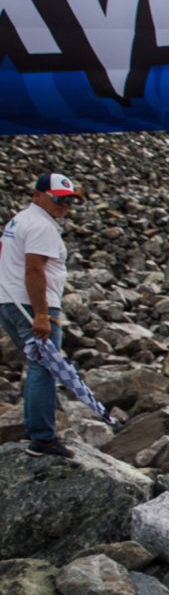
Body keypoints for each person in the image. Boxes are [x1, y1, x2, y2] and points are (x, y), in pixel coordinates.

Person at [0, 174, 80, 458]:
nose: (64, 204)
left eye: (69, 200)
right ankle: (43, 439)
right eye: (58, 198)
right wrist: (42, 315)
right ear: (38, 195)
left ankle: (31, 430)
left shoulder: (19, 220)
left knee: (36, 365)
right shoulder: (42, 226)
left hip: (9, 302)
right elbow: (35, 270)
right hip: (32, 305)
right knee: (44, 368)